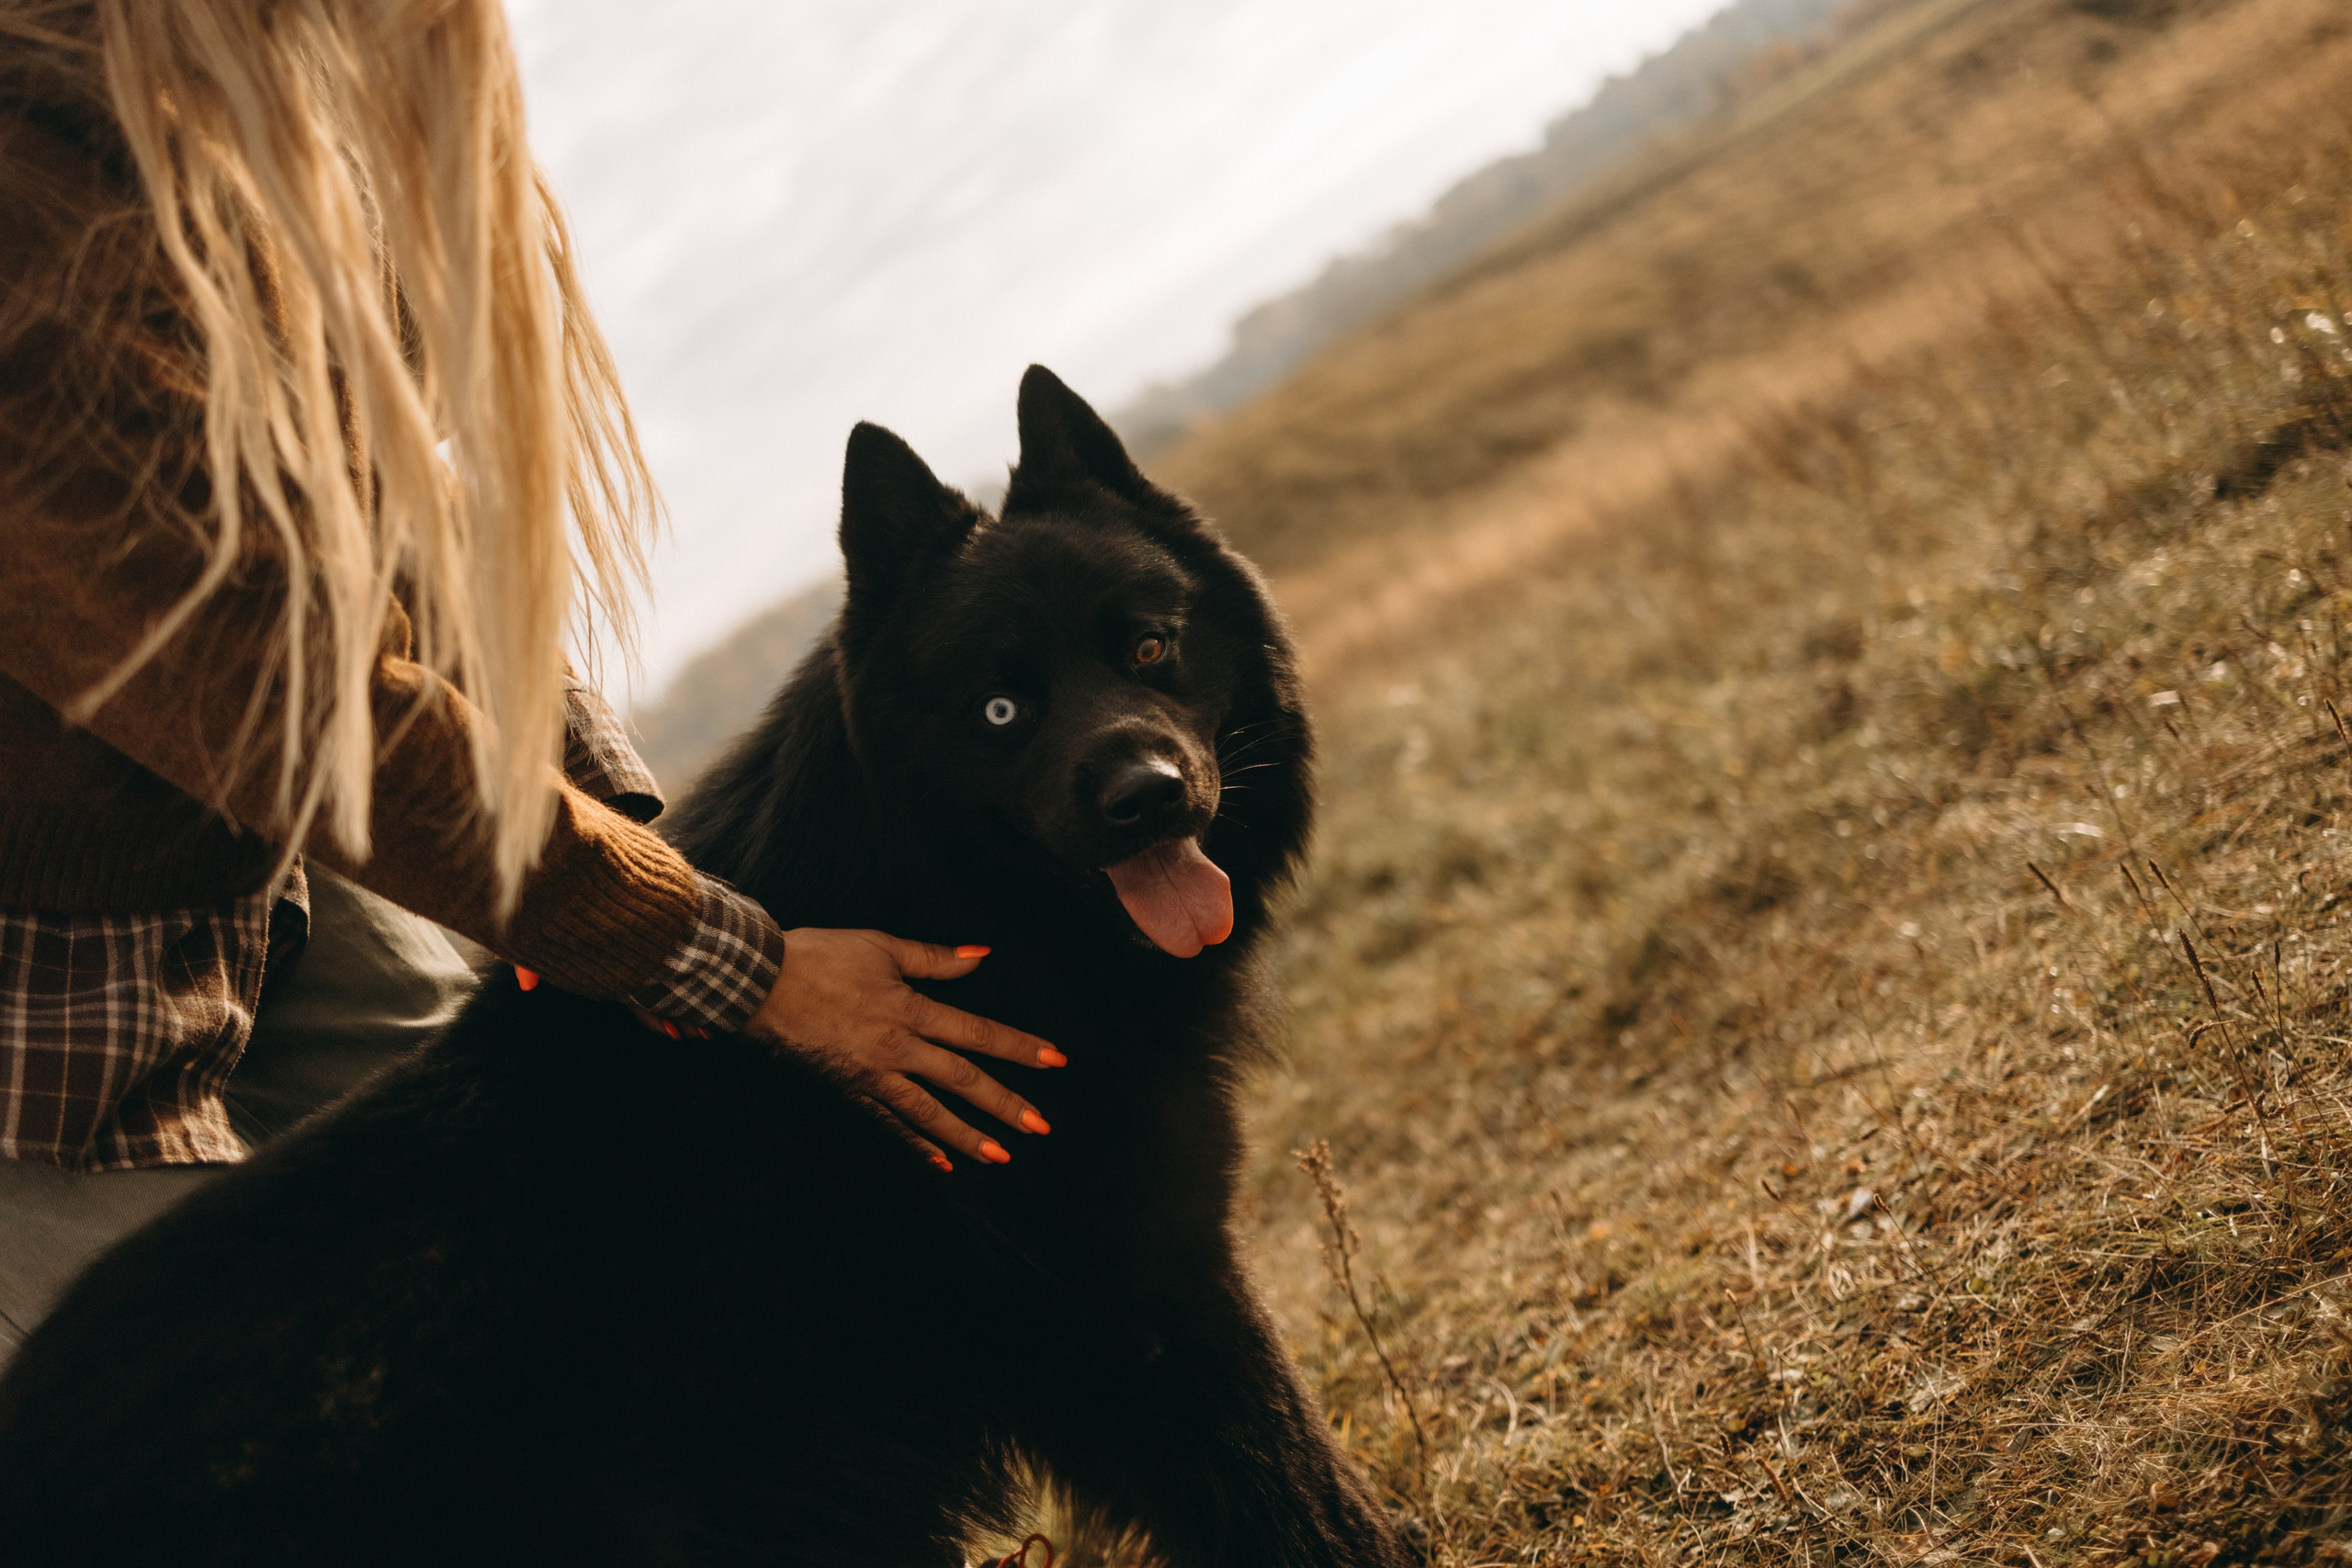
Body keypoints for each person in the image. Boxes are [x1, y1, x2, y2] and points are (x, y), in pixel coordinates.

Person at [0, 0, 1057, 1352]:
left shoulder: (293, 95)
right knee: (245, 1398)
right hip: (46, 966)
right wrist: (732, 962)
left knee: (540, 1206)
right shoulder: (31, 199)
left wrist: (665, 862)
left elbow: (384, 531)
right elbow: (287, 695)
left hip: (219, 828)